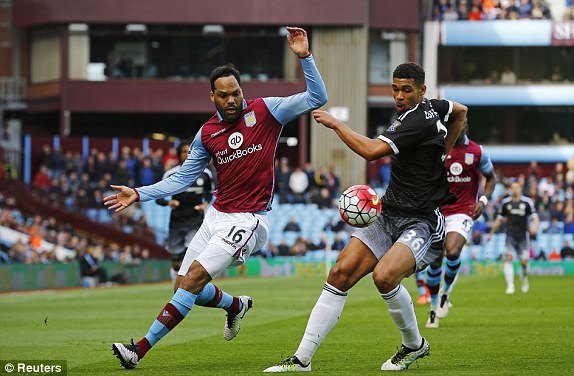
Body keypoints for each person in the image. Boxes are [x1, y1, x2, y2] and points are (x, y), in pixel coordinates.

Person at [103, 27, 327, 370]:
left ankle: (139, 350)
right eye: (224, 95)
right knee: (183, 285)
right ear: (213, 97)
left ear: (242, 91)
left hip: (248, 219)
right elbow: (181, 178)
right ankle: (235, 306)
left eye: (236, 93)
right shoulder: (207, 134)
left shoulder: (267, 112)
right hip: (216, 216)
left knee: (191, 281)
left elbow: (317, 98)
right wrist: (138, 193)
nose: (232, 100)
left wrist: (305, 58)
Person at [263, 62, 467, 372]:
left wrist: (335, 124)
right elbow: (461, 112)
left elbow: (372, 151)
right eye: (395, 88)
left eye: (407, 90)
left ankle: (414, 345)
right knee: (340, 273)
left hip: (421, 221)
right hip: (388, 215)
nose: (399, 95)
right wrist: (443, 153)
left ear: (421, 90)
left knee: (384, 276)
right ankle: (301, 359)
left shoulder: (416, 120)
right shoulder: (434, 107)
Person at [424, 120, 497, 328]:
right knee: (436, 260)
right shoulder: (438, 148)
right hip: (438, 211)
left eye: (463, 121)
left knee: (453, 252)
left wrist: (483, 201)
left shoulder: (476, 151)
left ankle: (446, 292)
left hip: (462, 211)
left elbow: (491, 178)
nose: (460, 124)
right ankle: (432, 307)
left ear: (466, 125)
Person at [155, 141, 213, 283]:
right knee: (176, 263)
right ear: (178, 155)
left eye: (189, 152)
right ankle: (177, 283)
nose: (186, 155)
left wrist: (205, 204)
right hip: (177, 222)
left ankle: (187, 288)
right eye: (183, 152)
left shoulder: (205, 174)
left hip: (195, 221)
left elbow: (210, 193)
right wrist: (169, 202)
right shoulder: (171, 174)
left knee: (190, 256)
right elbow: (158, 198)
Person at [488, 181, 539, 294]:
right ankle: (510, 286)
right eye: (513, 188)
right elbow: (499, 219)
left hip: (523, 235)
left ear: (520, 189)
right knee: (509, 258)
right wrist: (491, 232)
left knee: (524, 261)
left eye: (517, 187)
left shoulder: (527, 202)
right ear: (511, 189)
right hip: (510, 234)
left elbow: (534, 216)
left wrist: (535, 227)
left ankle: (524, 279)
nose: (515, 190)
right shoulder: (506, 203)